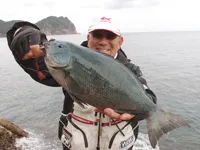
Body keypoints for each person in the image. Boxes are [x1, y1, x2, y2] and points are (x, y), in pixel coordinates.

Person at [7, 16, 157, 150]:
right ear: (88, 37)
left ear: (120, 41)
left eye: (110, 36)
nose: (103, 41)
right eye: (97, 35)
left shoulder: (130, 70)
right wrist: (23, 34)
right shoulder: (66, 61)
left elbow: (148, 97)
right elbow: (30, 57)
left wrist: (137, 112)